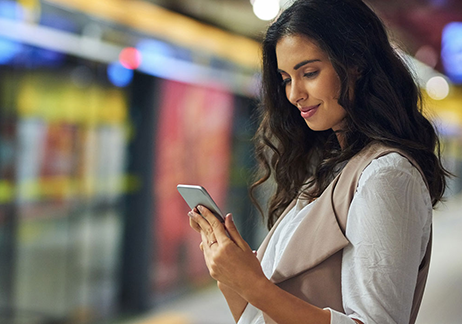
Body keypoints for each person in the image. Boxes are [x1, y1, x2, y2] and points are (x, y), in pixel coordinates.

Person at [187, 0, 451, 323]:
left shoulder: (386, 175)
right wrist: (231, 278)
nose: (294, 93)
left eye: (309, 73)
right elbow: (261, 318)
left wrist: (252, 284)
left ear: (356, 65)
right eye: (285, 79)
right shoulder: (330, 172)